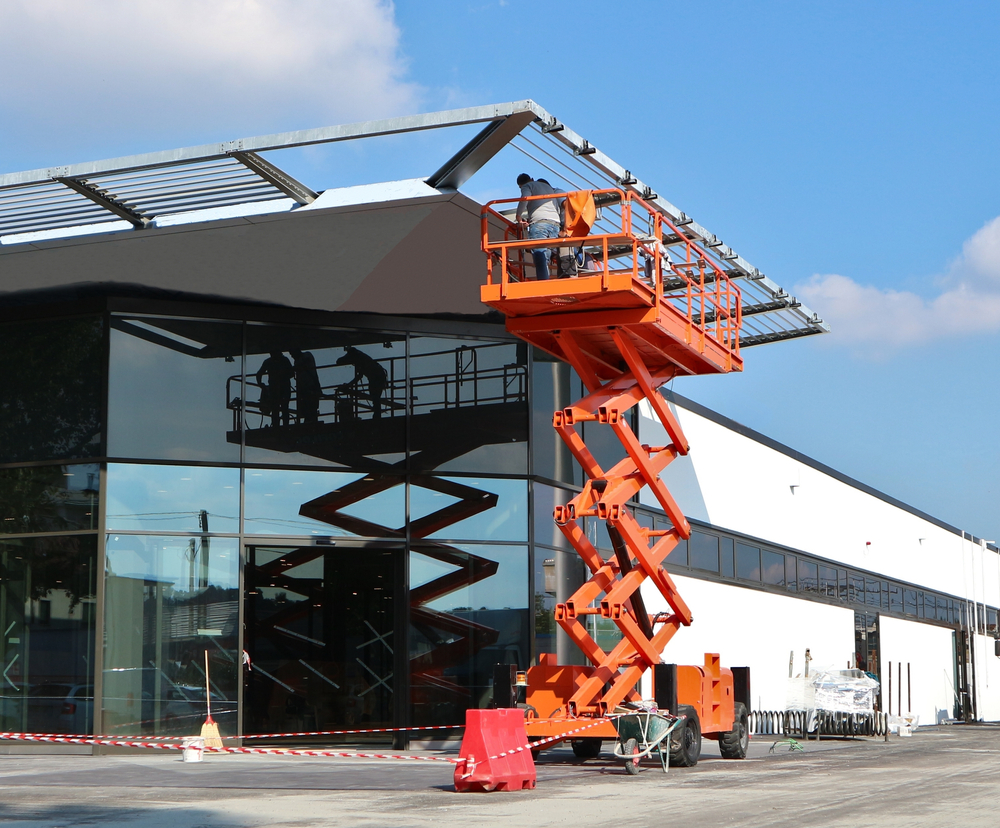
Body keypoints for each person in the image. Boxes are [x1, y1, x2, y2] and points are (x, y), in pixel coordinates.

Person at [516, 174, 563, 279]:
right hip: (555, 223)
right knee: (547, 254)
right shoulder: (548, 187)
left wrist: (518, 217)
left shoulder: (528, 186)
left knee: (539, 254)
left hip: (540, 223)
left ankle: (543, 282)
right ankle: (546, 279)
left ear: (520, 185)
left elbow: (525, 199)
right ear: (531, 178)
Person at [336, 346, 388, 419]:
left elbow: (359, 376)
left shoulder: (358, 358)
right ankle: (377, 414)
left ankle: (377, 415)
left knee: (375, 396)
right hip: (378, 375)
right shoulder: (359, 356)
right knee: (375, 396)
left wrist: (348, 385)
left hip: (376, 377)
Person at [255, 351, 293, 427]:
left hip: (280, 388)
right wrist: (260, 384)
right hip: (278, 388)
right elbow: (291, 373)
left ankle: (279, 426)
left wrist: (260, 384)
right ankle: (281, 425)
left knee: (279, 408)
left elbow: (259, 374)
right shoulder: (282, 360)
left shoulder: (271, 361)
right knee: (281, 408)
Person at [289, 349, 322, 424]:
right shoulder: (298, 361)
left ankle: (311, 421)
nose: (292, 356)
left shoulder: (307, 355)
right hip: (303, 387)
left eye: (292, 353)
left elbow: (305, 363)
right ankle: (309, 420)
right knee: (305, 406)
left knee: (311, 405)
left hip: (311, 386)